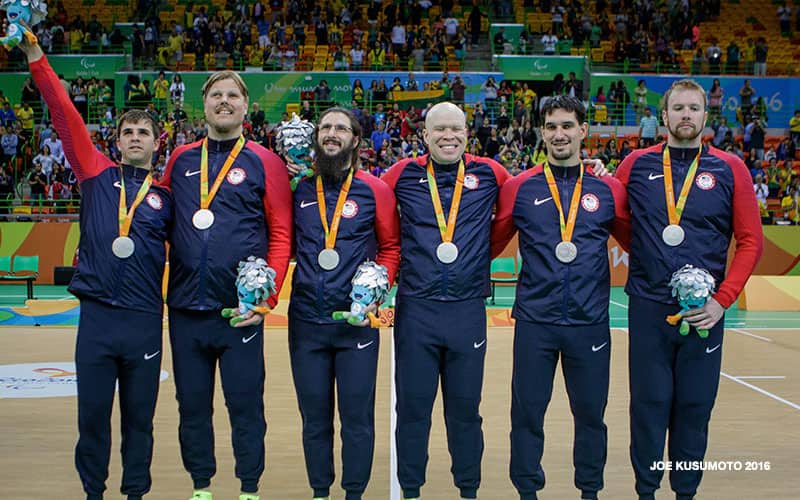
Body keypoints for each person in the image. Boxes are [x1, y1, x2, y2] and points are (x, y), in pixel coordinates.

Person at [21, 38, 172, 500]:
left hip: (145, 321)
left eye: (143, 132)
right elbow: (64, 111)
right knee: (91, 418)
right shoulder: (94, 172)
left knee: (139, 419)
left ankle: (135, 493)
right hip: (99, 320)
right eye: (128, 131)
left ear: (156, 142)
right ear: (117, 141)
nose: (134, 137)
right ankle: (93, 493)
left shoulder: (168, 197)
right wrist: (35, 59)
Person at [614, 79, 763, 500]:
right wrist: (647, 255)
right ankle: (646, 490)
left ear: (705, 115)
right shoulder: (636, 165)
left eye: (693, 108)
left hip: (705, 314)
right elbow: (622, 223)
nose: (685, 115)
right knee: (648, 407)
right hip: (648, 308)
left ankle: (685, 493)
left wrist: (721, 301)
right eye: (677, 108)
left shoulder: (730, 168)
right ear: (663, 116)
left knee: (695, 408)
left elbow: (752, 241)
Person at [160, 70, 293, 500]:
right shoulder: (179, 160)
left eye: (232, 95)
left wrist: (266, 299)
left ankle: (249, 486)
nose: (224, 101)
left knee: (245, 404)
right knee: (192, 406)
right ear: (204, 103)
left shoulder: (264, 160)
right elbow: (157, 221)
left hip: (241, 312)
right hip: (185, 309)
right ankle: (201, 485)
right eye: (216, 94)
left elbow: (281, 234)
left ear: (245, 104)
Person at [491, 94, 629, 500]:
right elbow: (490, 243)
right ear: (541, 132)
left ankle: (589, 491)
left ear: (583, 131)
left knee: (590, 416)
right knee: (527, 415)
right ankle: (527, 492)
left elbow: (640, 244)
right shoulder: (519, 188)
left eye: (568, 125)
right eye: (551, 126)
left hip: (589, 322)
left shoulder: (608, 190)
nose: (559, 134)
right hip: (536, 321)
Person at [381, 102, 512, 500]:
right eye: (439, 130)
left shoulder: (490, 173)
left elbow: (526, 200)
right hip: (416, 310)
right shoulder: (401, 174)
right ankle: (412, 489)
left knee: (465, 411)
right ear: (425, 135)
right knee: (413, 410)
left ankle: (468, 489)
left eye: (456, 128)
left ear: (467, 132)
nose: (448, 136)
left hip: (466, 310)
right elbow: (367, 200)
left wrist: (595, 176)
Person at [285, 107, 401, 500]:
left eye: (341, 128)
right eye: (325, 127)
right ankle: (320, 491)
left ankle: (354, 492)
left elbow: (390, 247)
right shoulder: (299, 188)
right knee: (314, 419)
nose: (331, 133)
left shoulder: (376, 190)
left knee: (357, 418)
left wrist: (376, 292)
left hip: (358, 325)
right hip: (306, 322)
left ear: (355, 139)